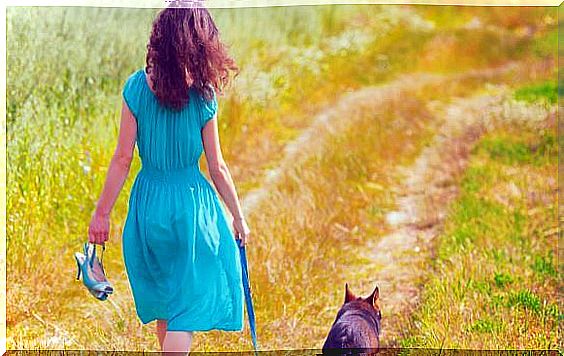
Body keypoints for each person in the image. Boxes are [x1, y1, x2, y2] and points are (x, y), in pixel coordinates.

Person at [87, 5, 250, 354]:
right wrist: (237, 216)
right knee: (184, 312)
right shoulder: (203, 96)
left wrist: (102, 213)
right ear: (200, 44)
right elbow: (216, 165)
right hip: (190, 207)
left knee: (167, 303)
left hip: (148, 205)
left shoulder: (136, 87)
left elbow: (122, 158)